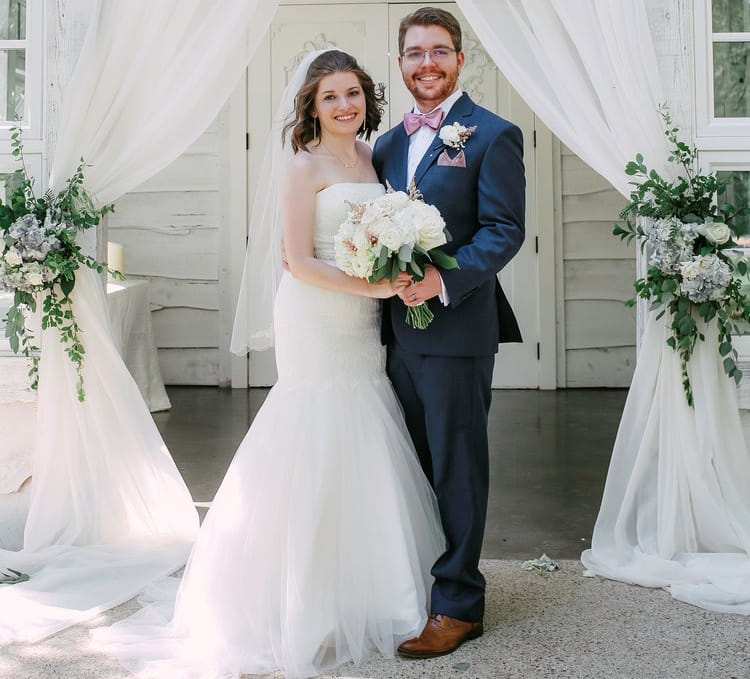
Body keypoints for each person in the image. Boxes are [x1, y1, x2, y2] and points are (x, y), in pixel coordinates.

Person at [93, 49, 444, 679]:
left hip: (364, 316)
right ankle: (298, 598)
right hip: (317, 311)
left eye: (354, 93)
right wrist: (378, 289)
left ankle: (374, 585)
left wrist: (391, 271)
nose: (345, 105)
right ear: (311, 105)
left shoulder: (374, 157)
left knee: (365, 416)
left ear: (368, 98)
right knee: (316, 419)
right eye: (331, 95)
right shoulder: (301, 166)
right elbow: (298, 262)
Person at [372, 7, 526, 658]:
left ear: (460, 60)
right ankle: (419, 581)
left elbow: (503, 229)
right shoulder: (383, 143)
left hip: (457, 328)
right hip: (389, 334)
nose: (426, 63)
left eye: (439, 51)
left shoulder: (493, 135)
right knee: (410, 464)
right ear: (401, 63)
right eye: (414, 53)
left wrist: (440, 279)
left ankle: (459, 603)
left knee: (458, 467)